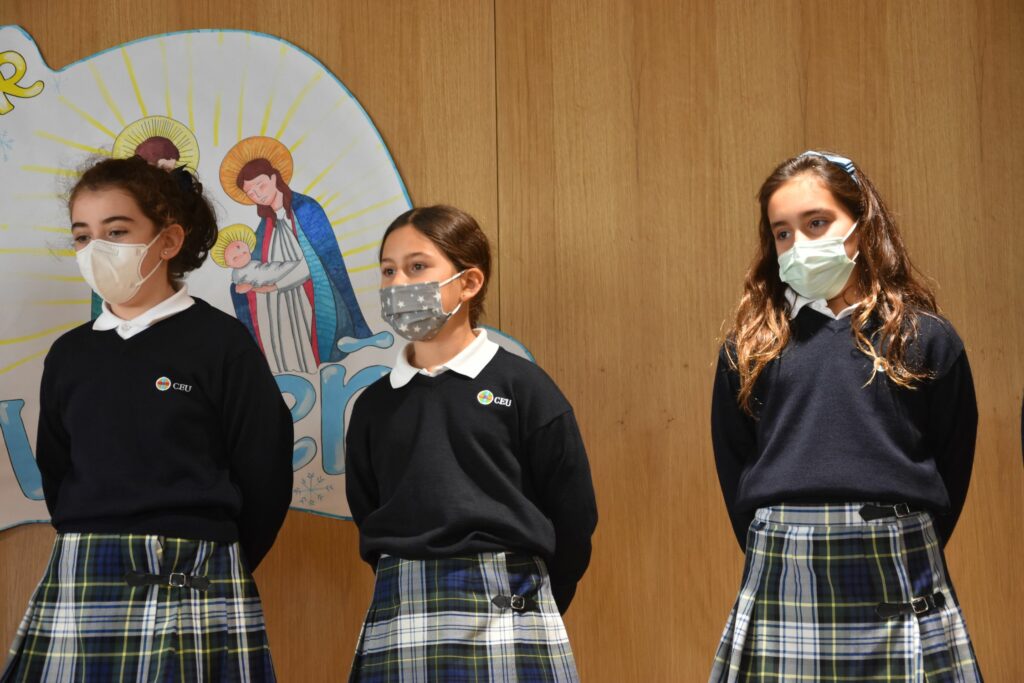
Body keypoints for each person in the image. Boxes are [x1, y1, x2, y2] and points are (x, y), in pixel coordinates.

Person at [2, 156, 293, 682]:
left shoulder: (221, 344)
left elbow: (265, 471)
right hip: (86, 566)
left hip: (197, 570)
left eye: (116, 231)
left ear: (168, 240)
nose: (96, 250)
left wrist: (215, 556)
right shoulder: (70, 354)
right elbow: (57, 469)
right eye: (83, 236)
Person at [708, 151, 982, 682]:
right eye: (782, 233)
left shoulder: (925, 337)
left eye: (817, 223)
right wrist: (786, 538)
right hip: (785, 567)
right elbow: (735, 462)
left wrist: (902, 534)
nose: (800, 244)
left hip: (899, 563)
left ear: (861, 226)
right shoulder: (749, 348)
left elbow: (953, 457)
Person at [345, 205, 597, 682]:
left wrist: (539, 597)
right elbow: (367, 505)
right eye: (388, 270)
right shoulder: (375, 405)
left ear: (469, 282)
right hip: (403, 606)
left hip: (510, 605)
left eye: (418, 267)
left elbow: (573, 513)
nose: (399, 283)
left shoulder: (524, 386)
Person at [211, 223, 301, 294]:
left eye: (238, 247)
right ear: (228, 264)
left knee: (280, 268)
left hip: (275, 273)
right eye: (235, 258)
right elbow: (240, 287)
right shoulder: (238, 274)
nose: (240, 254)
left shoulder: (254, 262)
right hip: (271, 278)